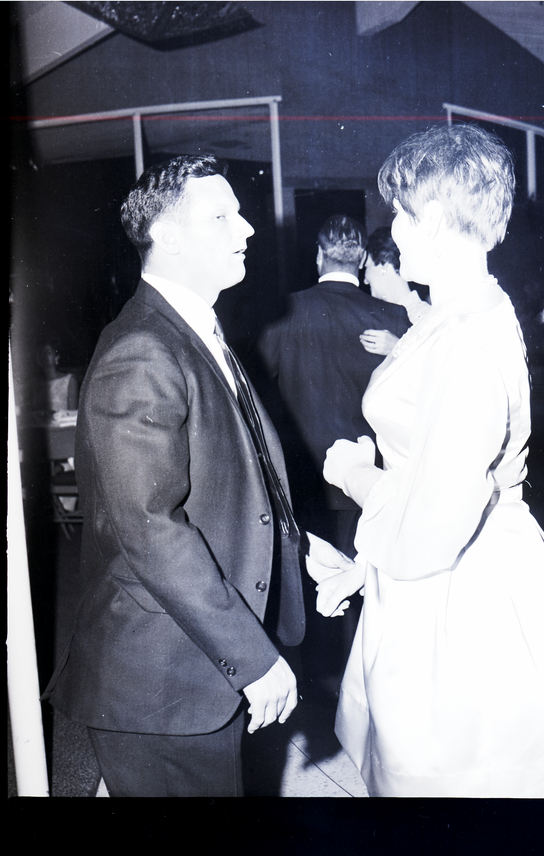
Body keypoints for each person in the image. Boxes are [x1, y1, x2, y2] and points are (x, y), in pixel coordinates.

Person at [43, 155, 355, 797]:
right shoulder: (143, 350)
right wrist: (253, 657)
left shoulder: (191, 331)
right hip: (162, 683)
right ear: (168, 235)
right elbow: (150, 528)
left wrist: (297, 550)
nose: (247, 229)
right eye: (222, 216)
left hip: (189, 665)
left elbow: (224, 485)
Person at [316, 124, 544, 797]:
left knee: (447, 781)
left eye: (400, 214)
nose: (393, 231)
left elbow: (437, 519)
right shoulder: (457, 314)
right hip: (450, 567)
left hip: (459, 590)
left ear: (435, 219)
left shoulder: (464, 336)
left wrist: (351, 473)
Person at [256, 215, 410, 696]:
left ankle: (320, 692)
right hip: (373, 480)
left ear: (319, 256)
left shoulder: (285, 313)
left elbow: (256, 392)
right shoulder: (393, 318)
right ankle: (372, 688)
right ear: (361, 259)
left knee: (310, 585)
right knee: (374, 584)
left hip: (304, 479)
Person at [359, 226, 430, 356]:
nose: (365, 280)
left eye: (367, 266)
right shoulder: (375, 315)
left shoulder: (425, 315)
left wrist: (396, 347)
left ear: (384, 265)